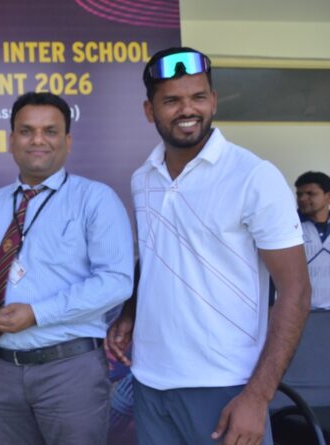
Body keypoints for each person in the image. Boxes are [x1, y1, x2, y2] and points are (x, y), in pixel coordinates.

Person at [107, 47, 311, 445]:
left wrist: (258, 396)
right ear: (149, 110)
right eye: (172, 100)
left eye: (198, 97)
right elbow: (155, 256)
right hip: (149, 382)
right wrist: (130, 311)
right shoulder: (143, 178)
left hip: (226, 386)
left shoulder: (254, 176)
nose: (188, 109)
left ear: (214, 101)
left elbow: (297, 291)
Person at [0, 91, 134, 445]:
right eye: (26, 131)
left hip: (69, 370)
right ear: (11, 140)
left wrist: (37, 313)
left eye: (50, 131)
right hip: (1, 369)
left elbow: (116, 281)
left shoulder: (95, 199)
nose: (38, 140)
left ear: (68, 141)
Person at [295, 171, 330, 309]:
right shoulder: (289, 227)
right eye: (299, 194)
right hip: (301, 311)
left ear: (328, 196)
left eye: (310, 193)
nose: (303, 199)